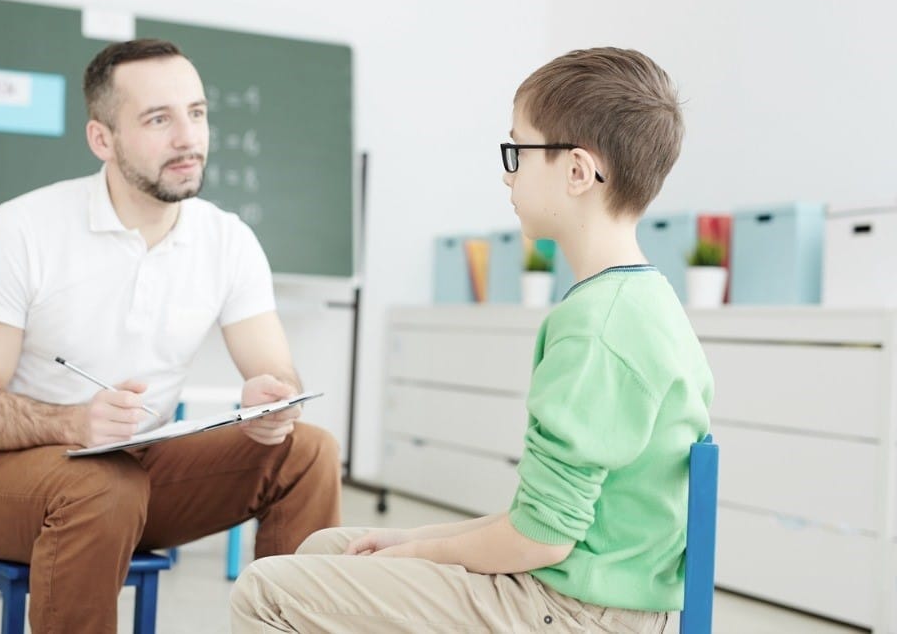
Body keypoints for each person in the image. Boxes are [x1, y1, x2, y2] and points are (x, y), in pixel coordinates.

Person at [229, 47, 713, 633]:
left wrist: (413, 554)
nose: (508, 172)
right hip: (589, 595)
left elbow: (540, 540)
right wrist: (409, 537)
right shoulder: (642, 302)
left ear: (578, 172)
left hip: (577, 613)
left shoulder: (598, 327)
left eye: (518, 150)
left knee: (265, 591)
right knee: (329, 546)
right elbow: (541, 521)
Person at [0, 39, 341, 632]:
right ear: (103, 139)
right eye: (159, 119)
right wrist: (72, 424)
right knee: (104, 484)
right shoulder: (18, 231)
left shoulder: (227, 241)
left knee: (309, 451)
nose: (188, 137)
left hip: (135, 477)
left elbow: (278, 375)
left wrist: (273, 402)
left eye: (197, 113)